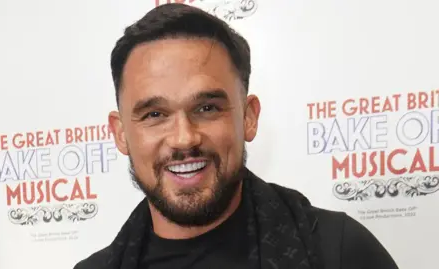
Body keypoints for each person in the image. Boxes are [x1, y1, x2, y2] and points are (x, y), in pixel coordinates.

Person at [74, 3, 399, 269]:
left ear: (249, 117)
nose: (184, 139)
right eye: (155, 115)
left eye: (207, 108)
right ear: (120, 134)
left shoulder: (338, 252)